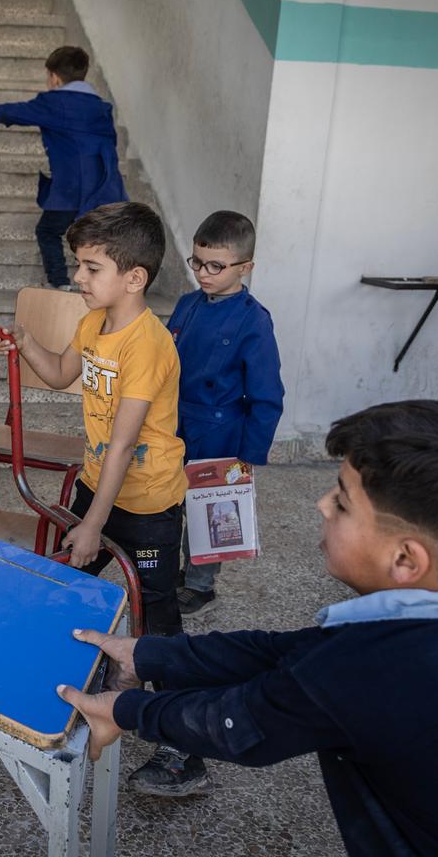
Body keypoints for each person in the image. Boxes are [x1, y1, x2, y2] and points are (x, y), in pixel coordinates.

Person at [58, 400, 438, 855]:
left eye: (341, 501)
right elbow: (277, 654)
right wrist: (145, 655)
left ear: (407, 560)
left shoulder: (376, 671)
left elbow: (237, 724)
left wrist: (123, 711)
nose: (319, 505)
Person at [0, 201, 202, 795]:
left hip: (150, 501)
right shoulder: (95, 323)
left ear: (134, 277)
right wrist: (26, 344)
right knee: (68, 588)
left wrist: (92, 526)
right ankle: (73, 701)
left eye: (89, 268)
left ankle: (183, 753)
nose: (77, 279)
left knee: (159, 626)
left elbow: (124, 445)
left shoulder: (149, 344)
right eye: (77, 266)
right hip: (98, 486)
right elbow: (61, 373)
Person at [169, 210, 284, 615]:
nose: (203, 272)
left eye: (215, 265)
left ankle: (201, 585)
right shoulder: (186, 305)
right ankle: (170, 572)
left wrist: (249, 455)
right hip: (175, 422)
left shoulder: (254, 321)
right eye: (197, 262)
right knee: (168, 501)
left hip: (220, 431)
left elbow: (267, 395)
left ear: (246, 267)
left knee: (208, 509)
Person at [0, 45, 127, 290]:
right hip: (105, 187)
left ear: (54, 77)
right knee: (97, 238)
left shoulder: (54, 102)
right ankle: (105, 284)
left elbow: (16, 112)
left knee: (47, 231)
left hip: (72, 190)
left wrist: (0, 114)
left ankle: (60, 284)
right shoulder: (102, 107)